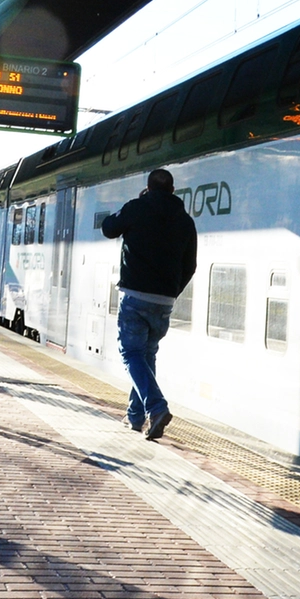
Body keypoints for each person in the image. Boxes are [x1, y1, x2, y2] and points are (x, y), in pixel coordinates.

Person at [101, 168, 197, 440]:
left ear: (148, 187)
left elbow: (109, 228)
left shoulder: (137, 208)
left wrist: (133, 205)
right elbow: (190, 265)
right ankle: (135, 417)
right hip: (164, 301)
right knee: (146, 355)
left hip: (135, 296)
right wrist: (172, 292)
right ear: (173, 190)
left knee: (131, 353)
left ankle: (156, 408)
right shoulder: (186, 221)